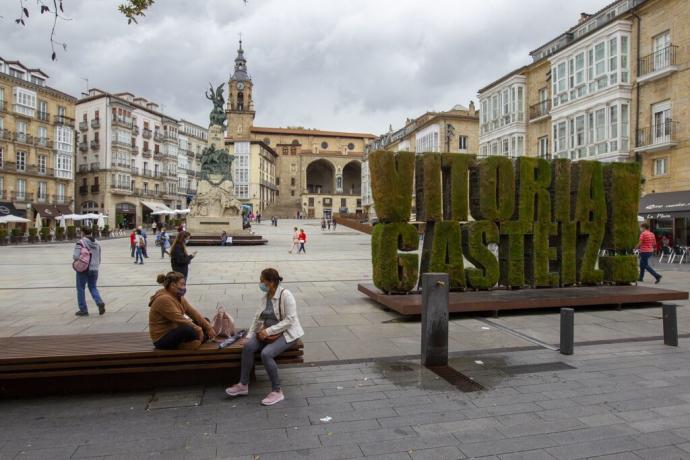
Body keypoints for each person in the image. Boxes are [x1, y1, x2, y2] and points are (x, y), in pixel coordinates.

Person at [225, 268, 304, 406]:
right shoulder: (265, 296)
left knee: (266, 353)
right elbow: (257, 318)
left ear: (272, 282)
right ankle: (243, 385)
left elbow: (290, 319)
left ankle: (277, 391)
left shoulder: (286, 295)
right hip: (266, 332)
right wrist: (249, 336)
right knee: (248, 347)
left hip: (287, 332)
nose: (260, 284)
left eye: (262, 281)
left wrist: (269, 331)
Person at [149, 271, 216, 350]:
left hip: (175, 330)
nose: (184, 287)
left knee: (205, 320)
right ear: (173, 285)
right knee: (188, 330)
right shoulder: (163, 299)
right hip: (162, 339)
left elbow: (193, 312)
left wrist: (208, 327)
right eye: (182, 284)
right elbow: (180, 319)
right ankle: (198, 341)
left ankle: (196, 341)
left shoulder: (177, 296)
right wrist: (199, 329)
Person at [73, 227, 106, 317]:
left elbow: (75, 256)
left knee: (81, 288)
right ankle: (99, 302)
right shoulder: (97, 243)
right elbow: (99, 257)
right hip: (95, 268)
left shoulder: (81, 242)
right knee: (93, 287)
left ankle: (83, 310)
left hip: (84, 268)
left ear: (83, 233)